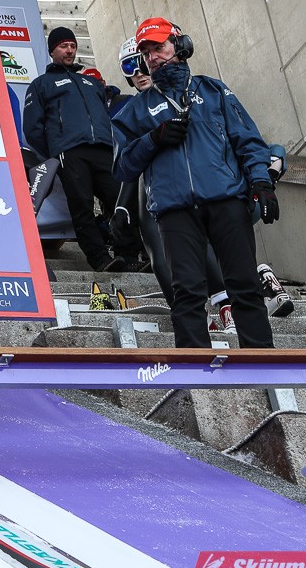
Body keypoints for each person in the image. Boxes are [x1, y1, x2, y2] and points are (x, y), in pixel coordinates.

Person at [113, 18, 276, 348]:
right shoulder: (135, 110)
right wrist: (153, 139)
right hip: (174, 211)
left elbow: (247, 140)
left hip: (226, 200)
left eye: (159, 47)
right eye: (146, 51)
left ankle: (262, 362)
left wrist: (262, 182)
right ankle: (194, 369)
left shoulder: (213, 90)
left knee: (245, 285)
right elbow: (122, 168)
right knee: (186, 293)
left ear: (180, 45)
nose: (153, 56)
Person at [23, 26, 146, 272]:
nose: (69, 50)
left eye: (72, 46)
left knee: (121, 203)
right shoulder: (41, 84)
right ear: (52, 51)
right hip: (70, 152)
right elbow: (32, 128)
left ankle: (129, 256)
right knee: (82, 205)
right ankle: (99, 258)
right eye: (63, 46)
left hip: (103, 150)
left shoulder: (91, 83)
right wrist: (57, 150)